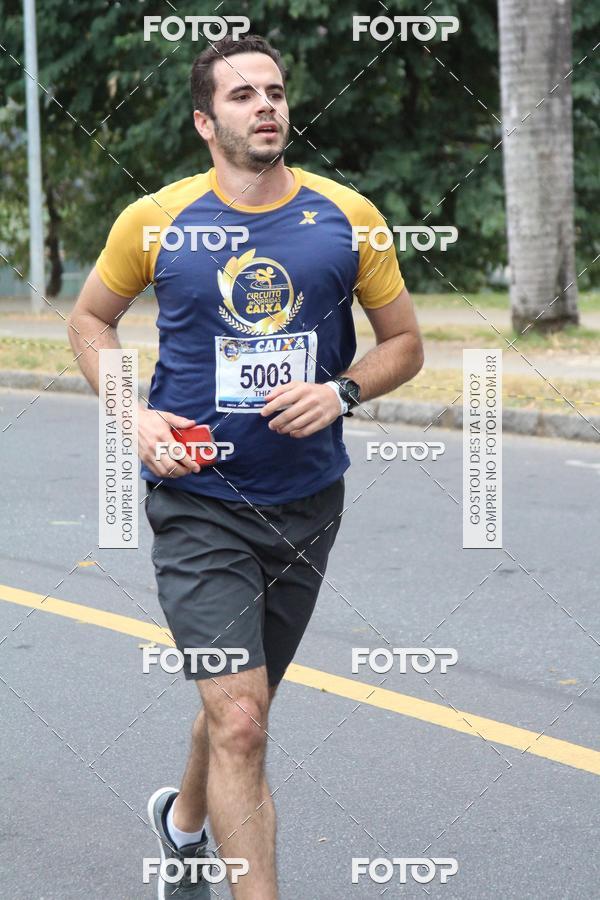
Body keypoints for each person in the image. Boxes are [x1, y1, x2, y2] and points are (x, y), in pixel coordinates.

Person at [67, 33, 423, 900]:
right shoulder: (154, 220)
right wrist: (135, 416)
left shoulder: (348, 216)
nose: (265, 105)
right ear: (204, 120)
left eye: (274, 91)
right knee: (242, 718)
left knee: (239, 710)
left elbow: (406, 344)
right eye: (241, 95)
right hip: (198, 499)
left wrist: (340, 391)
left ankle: (182, 827)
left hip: (306, 500)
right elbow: (88, 324)